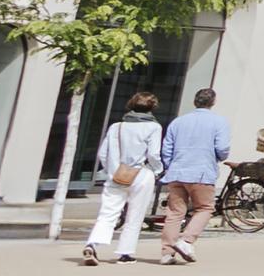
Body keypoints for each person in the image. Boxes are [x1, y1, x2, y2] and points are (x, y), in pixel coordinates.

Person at [84, 92, 168, 265]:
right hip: (142, 174)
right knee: (134, 215)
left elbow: (103, 153)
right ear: (152, 108)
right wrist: (158, 170)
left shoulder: (117, 127)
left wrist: (111, 170)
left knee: (108, 213)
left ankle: (92, 244)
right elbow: (153, 154)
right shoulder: (154, 127)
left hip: (117, 174)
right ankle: (125, 253)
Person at [153, 88, 234, 262]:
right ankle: (187, 240)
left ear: (195, 101)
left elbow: (167, 148)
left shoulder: (178, 122)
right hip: (201, 171)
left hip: (177, 171)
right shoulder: (219, 122)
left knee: (175, 212)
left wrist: (170, 165)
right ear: (213, 102)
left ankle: (167, 252)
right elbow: (222, 148)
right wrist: (218, 158)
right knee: (205, 208)